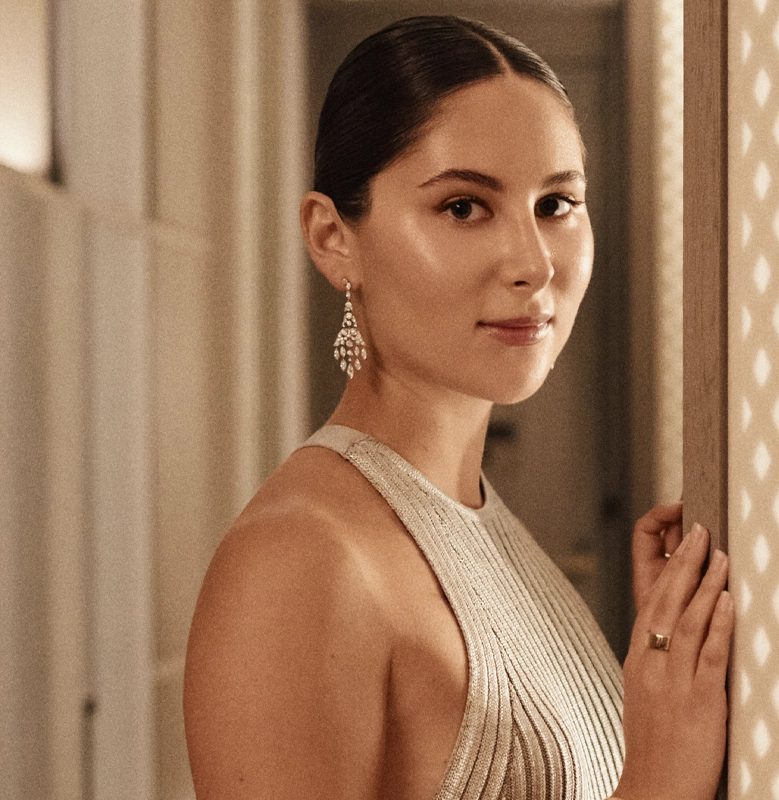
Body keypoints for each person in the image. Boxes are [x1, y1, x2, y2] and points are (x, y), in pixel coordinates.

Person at [183, 15, 733, 800]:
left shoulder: (480, 523)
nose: (533, 264)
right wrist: (658, 782)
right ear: (333, 236)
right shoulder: (300, 564)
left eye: (556, 204)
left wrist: (661, 666)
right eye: (465, 207)